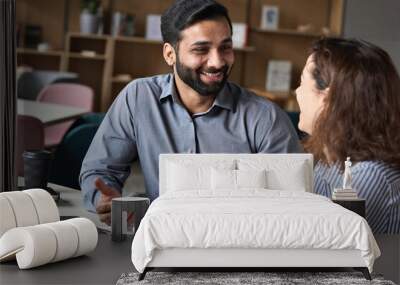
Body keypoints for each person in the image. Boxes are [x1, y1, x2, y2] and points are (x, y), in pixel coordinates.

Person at [80, 0, 301, 225]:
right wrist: (104, 199)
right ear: (170, 54)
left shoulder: (266, 118)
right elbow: (99, 169)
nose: (217, 62)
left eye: (225, 47)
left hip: (238, 246)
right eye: (201, 49)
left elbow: (292, 204)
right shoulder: (139, 98)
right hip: (160, 242)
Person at [295, 37, 400, 234]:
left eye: (301, 83)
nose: (297, 92)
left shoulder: (368, 176)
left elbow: (324, 248)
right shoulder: (332, 161)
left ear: (328, 97)